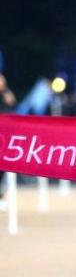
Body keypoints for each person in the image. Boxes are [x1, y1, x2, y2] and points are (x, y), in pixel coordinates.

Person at [0, 73, 16, 212]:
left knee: (4, 169)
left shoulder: (7, 95)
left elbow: (12, 105)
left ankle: (2, 197)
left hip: (4, 137)